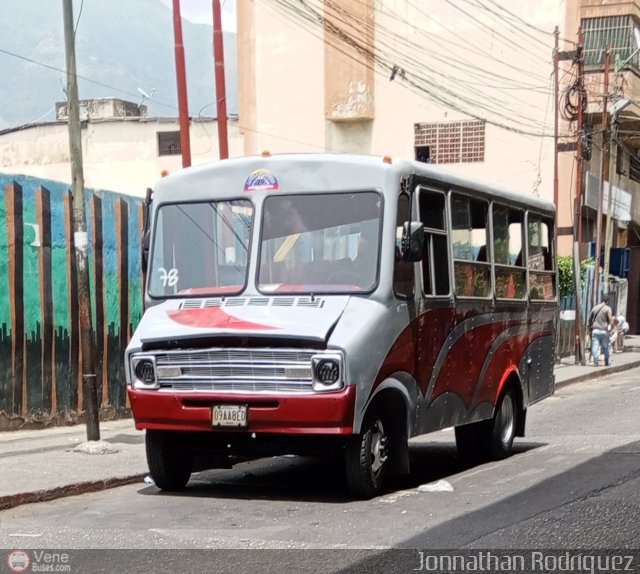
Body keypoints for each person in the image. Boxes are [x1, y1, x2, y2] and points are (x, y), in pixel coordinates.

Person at [588, 296, 614, 366]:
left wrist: (589, 328)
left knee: (595, 346)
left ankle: (596, 362)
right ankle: (606, 361)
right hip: (604, 331)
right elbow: (610, 319)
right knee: (606, 347)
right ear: (607, 301)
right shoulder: (608, 309)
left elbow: (589, 319)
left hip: (595, 330)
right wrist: (612, 328)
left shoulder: (595, 308)